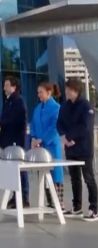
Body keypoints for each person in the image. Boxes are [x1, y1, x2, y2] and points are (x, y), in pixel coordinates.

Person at [57, 78, 97, 220]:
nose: (66, 92)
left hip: (84, 148)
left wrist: (70, 137)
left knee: (89, 178)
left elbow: (86, 126)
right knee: (74, 179)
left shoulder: (86, 106)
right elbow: (59, 122)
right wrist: (63, 137)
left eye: (68, 89)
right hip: (70, 148)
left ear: (75, 90)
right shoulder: (65, 106)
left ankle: (94, 208)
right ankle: (77, 206)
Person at [0, 76, 29, 208]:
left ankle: (24, 198)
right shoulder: (8, 101)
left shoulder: (18, 102)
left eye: (6, 85)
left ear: (13, 87)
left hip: (16, 141)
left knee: (20, 170)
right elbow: (6, 120)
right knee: (11, 171)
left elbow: (14, 121)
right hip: (7, 140)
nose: (4, 88)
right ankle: (15, 196)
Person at [30, 82, 64, 209]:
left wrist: (42, 139)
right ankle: (49, 201)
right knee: (43, 174)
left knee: (55, 174)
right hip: (40, 147)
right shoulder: (38, 108)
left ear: (49, 92)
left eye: (41, 92)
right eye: (38, 92)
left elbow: (54, 127)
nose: (39, 95)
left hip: (51, 145)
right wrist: (33, 137)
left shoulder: (56, 108)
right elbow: (33, 124)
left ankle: (58, 202)